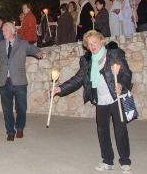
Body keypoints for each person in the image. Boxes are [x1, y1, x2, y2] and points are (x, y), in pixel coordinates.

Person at [54, 30, 132, 173]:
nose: (92, 46)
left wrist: (122, 84)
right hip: (101, 100)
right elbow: (78, 79)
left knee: (120, 130)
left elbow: (126, 74)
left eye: (94, 42)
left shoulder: (114, 54)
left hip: (116, 97)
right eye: (89, 44)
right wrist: (60, 89)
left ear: (102, 41)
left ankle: (125, 161)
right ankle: (107, 161)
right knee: (102, 131)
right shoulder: (87, 61)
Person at [0, 22, 44, 141]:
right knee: (7, 109)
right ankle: (10, 131)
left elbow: (34, 49)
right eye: (3, 31)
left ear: (13, 31)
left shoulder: (22, 44)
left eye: (6, 30)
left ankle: (20, 127)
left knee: (21, 108)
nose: (3, 32)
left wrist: (38, 53)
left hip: (19, 82)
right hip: (4, 82)